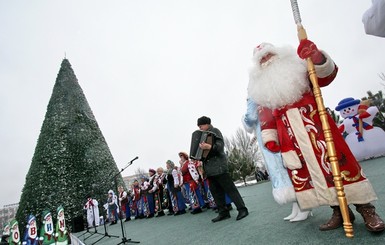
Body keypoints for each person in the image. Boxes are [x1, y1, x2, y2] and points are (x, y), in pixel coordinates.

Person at [247, 40, 385, 232]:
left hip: (317, 126)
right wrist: (270, 138)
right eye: (262, 59)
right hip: (290, 137)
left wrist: (317, 58)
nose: (267, 61)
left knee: (339, 164)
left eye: (269, 55)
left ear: (279, 54)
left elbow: (326, 76)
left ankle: (366, 209)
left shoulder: (298, 68)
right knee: (313, 174)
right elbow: (266, 117)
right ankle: (339, 210)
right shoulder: (263, 91)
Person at [243, 98, 311, 222]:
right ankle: (298, 205)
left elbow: (250, 117)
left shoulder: (254, 94)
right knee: (284, 167)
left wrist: (245, 118)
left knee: (283, 167)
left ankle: (304, 205)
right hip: (270, 129)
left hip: (269, 131)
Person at [196, 116, 249, 222]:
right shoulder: (201, 136)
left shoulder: (215, 131)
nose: (200, 128)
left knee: (230, 189)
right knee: (216, 192)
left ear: (207, 124)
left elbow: (220, 147)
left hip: (219, 166)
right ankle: (223, 212)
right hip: (209, 170)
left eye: (201, 125)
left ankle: (242, 209)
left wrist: (209, 147)